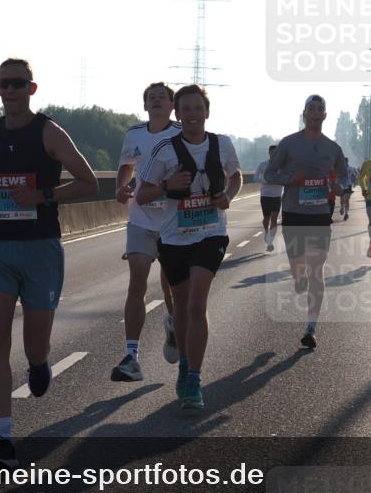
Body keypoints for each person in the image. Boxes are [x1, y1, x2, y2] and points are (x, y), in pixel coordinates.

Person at [0, 58, 98, 469]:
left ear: (32, 88)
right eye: (4, 84)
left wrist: (42, 197)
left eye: (18, 83)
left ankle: (39, 364)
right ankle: (4, 437)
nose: (10, 90)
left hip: (40, 248)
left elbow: (90, 183)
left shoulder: (49, 132)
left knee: (33, 344)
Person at [135, 85, 242, 410]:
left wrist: (229, 195)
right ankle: (184, 362)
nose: (193, 114)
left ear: (206, 112)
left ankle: (194, 378)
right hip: (174, 238)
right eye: (187, 109)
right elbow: (142, 196)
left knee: (197, 304)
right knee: (181, 308)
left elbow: (235, 175)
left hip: (211, 234)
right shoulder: (165, 150)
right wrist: (168, 186)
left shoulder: (222, 144)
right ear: (177, 115)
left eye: (199, 108)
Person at [263, 94, 347, 350]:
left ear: (324, 116)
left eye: (319, 109)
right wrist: (291, 178)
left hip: (320, 214)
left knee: (316, 269)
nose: (315, 112)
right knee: (299, 266)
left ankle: (311, 325)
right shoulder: (289, 143)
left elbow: (344, 179)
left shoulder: (333, 148)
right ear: (304, 113)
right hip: (294, 213)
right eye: (311, 108)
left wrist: (338, 186)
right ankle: (297, 277)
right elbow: (269, 174)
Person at [111, 82, 182, 382]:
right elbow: (126, 166)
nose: (156, 101)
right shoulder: (134, 134)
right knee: (137, 283)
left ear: (171, 105)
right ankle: (132, 356)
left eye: (161, 98)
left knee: (170, 286)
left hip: (174, 221)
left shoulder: (181, 134)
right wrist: (121, 185)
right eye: (151, 98)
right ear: (145, 105)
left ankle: (174, 324)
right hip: (140, 218)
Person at [254, 144, 283, 251]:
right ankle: (266, 231)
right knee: (267, 219)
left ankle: (270, 242)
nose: (274, 154)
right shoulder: (263, 165)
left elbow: (285, 177)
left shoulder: (282, 166)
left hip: (277, 195)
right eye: (272, 152)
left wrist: (280, 181)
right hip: (265, 195)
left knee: (274, 219)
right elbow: (255, 177)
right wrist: (265, 181)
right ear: (269, 153)